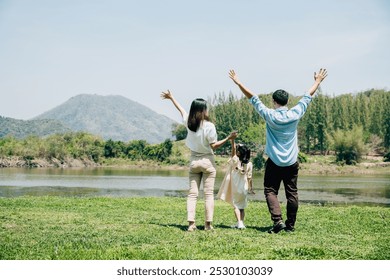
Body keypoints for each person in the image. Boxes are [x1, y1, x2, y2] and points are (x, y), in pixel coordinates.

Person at [229, 68, 328, 233]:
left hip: (274, 161)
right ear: (287, 101)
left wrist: (238, 82)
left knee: (270, 190)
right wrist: (318, 81)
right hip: (291, 161)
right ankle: (290, 225)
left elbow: (253, 98)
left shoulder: (270, 115)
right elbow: (308, 96)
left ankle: (277, 221)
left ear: (274, 101)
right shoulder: (295, 113)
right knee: (292, 193)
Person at [161, 90, 237, 232]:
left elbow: (181, 110)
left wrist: (172, 98)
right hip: (207, 161)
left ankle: (191, 224)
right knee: (208, 194)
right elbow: (214, 146)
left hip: (194, 161)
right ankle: (208, 225)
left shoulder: (189, 122)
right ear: (204, 110)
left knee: (192, 194)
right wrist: (228, 138)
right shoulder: (209, 126)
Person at [217, 136, 252, 229]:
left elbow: (233, 151)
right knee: (242, 206)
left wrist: (232, 141)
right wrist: (250, 188)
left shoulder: (235, 161)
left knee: (236, 206)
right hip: (244, 188)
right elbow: (249, 177)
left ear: (239, 153)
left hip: (236, 187)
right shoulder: (249, 164)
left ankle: (239, 223)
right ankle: (241, 223)